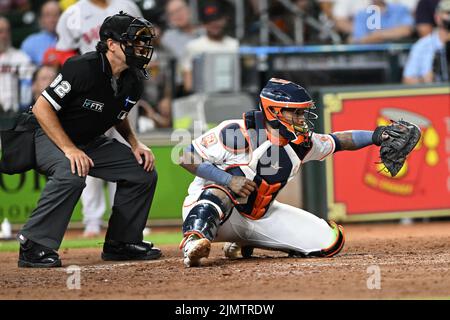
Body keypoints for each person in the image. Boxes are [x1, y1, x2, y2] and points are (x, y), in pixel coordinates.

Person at [178, 77, 394, 267]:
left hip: (256, 216)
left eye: (303, 112)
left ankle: (245, 241)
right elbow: (185, 157)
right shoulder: (235, 131)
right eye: (296, 112)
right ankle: (194, 242)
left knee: (330, 242)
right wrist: (228, 179)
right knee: (223, 187)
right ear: (274, 111)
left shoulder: (302, 144)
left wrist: (378, 135)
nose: (302, 118)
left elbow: (340, 140)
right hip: (211, 211)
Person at [16, 12, 161, 268]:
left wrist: (135, 143)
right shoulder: (81, 67)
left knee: (142, 171)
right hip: (44, 133)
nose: (141, 47)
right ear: (112, 44)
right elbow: (42, 108)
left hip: (88, 140)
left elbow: (118, 114)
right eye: (134, 41)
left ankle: (121, 244)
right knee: (71, 172)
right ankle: (34, 245)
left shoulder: (134, 79)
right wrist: (69, 149)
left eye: (143, 41)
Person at [55, 0, 142, 237]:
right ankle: (92, 220)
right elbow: (63, 53)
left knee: (126, 154)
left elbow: (142, 43)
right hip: (87, 92)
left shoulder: (128, 6)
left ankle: (123, 221)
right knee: (87, 154)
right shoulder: (73, 13)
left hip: (121, 85)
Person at [181, 0, 239, 94]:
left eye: (218, 19)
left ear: (225, 19)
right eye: (209, 21)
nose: (214, 24)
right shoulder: (193, 47)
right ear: (203, 24)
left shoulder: (235, 45)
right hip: (203, 98)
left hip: (231, 97)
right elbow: (188, 85)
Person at [161, 0, 204, 97]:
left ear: (189, 10)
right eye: (172, 13)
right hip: (181, 90)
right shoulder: (168, 39)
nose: (177, 15)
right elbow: (166, 72)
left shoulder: (204, 32)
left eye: (180, 10)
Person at [403, 0, 450, 83]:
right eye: (448, 13)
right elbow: (407, 79)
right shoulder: (422, 45)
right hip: (434, 92)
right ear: (437, 17)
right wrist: (424, 80)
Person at [0, 16, 34, 114]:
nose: (4, 35)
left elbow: (28, 86)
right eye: (1, 31)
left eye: (7, 31)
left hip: (14, 114)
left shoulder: (21, 57)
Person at [20, 0, 61, 65]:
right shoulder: (30, 43)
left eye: (56, 15)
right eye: (48, 15)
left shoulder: (71, 39)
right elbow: (24, 70)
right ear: (41, 19)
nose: (52, 19)